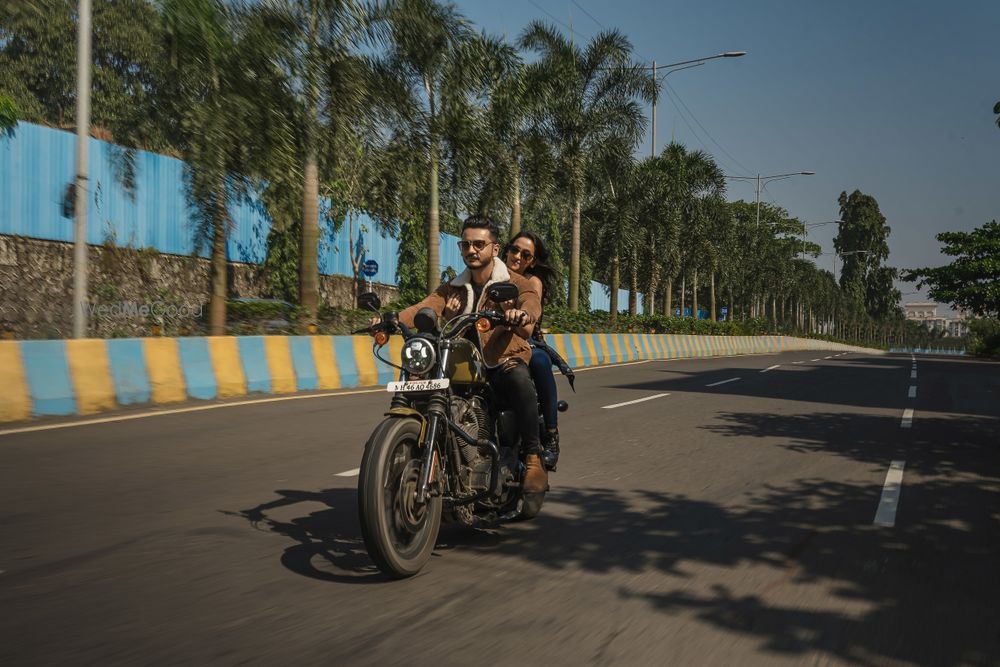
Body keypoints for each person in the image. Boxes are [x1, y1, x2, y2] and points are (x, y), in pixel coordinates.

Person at [394, 216, 549, 493]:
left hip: (500, 359)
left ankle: (534, 457)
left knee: (519, 379)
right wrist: (392, 320)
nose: (471, 250)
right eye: (465, 244)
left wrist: (520, 313)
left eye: (479, 244)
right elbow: (424, 306)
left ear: (495, 248)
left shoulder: (514, 283)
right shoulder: (452, 287)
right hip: (461, 362)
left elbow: (531, 303)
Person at [502, 231, 567, 472]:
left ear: (532, 261)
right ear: (506, 249)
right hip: (493, 340)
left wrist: (518, 313)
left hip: (527, 340)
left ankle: (551, 433)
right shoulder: (491, 272)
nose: (517, 256)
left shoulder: (532, 282)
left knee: (539, 362)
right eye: (514, 249)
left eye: (525, 254)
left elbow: (530, 309)